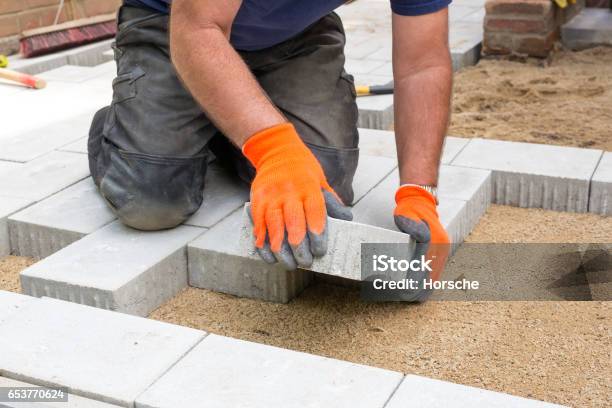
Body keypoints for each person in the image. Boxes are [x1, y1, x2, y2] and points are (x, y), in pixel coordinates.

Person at [88, 0, 452, 273]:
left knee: (326, 187)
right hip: (173, 24)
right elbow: (198, 27)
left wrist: (420, 192)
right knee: (150, 202)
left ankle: (223, 120)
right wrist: (276, 150)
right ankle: (123, 127)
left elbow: (423, 65)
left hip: (294, 32)